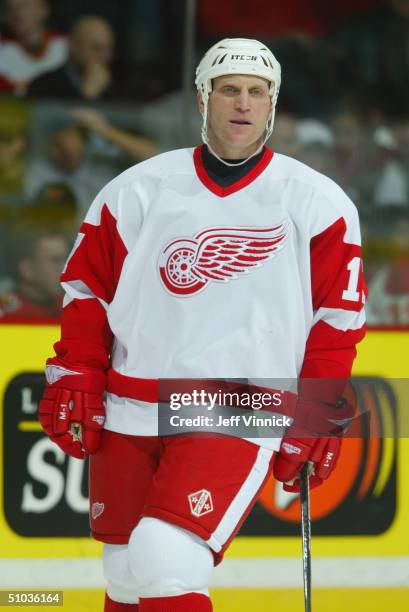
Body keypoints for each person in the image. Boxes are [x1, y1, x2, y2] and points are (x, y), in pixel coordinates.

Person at [38, 38, 367, 611]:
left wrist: (315, 408)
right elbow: (87, 290)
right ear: (202, 98)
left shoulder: (316, 201)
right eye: (229, 90)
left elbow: (337, 319)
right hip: (131, 402)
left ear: (272, 104)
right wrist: (79, 373)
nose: (243, 103)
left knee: (165, 557)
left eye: (257, 93)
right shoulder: (136, 190)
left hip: (239, 405)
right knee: (125, 572)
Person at [27, 15, 117, 101]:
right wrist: (88, 94)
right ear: (72, 46)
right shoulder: (43, 86)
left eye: (109, 49)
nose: (107, 56)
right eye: (97, 48)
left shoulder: (120, 86)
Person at [0, 224, 69, 322]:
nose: (65, 267)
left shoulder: (71, 305)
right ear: (27, 270)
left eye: (66, 259)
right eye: (55, 260)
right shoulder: (7, 316)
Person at [0, 0, 67, 95]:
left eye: (24, 6)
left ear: (44, 10)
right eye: (10, 8)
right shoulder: (3, 48)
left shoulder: (65, 44)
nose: (16, 12)